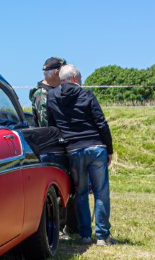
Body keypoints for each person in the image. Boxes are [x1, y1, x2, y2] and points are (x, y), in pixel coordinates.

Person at [46, 63, 116, 247]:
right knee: (101, 193)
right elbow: (101, 123)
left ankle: (85, 236)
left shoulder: (51, 97)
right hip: (95, 148)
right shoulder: (87, 95)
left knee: (81, 193)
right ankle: (102, 236)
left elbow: (51, 126)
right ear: (75, 78)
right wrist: (109, 149)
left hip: (73, 150)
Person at [30, 57, 66, 126]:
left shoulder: (58, 90)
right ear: (56, 73)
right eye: (64, 72)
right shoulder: (41, 94)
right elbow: (45, 126)